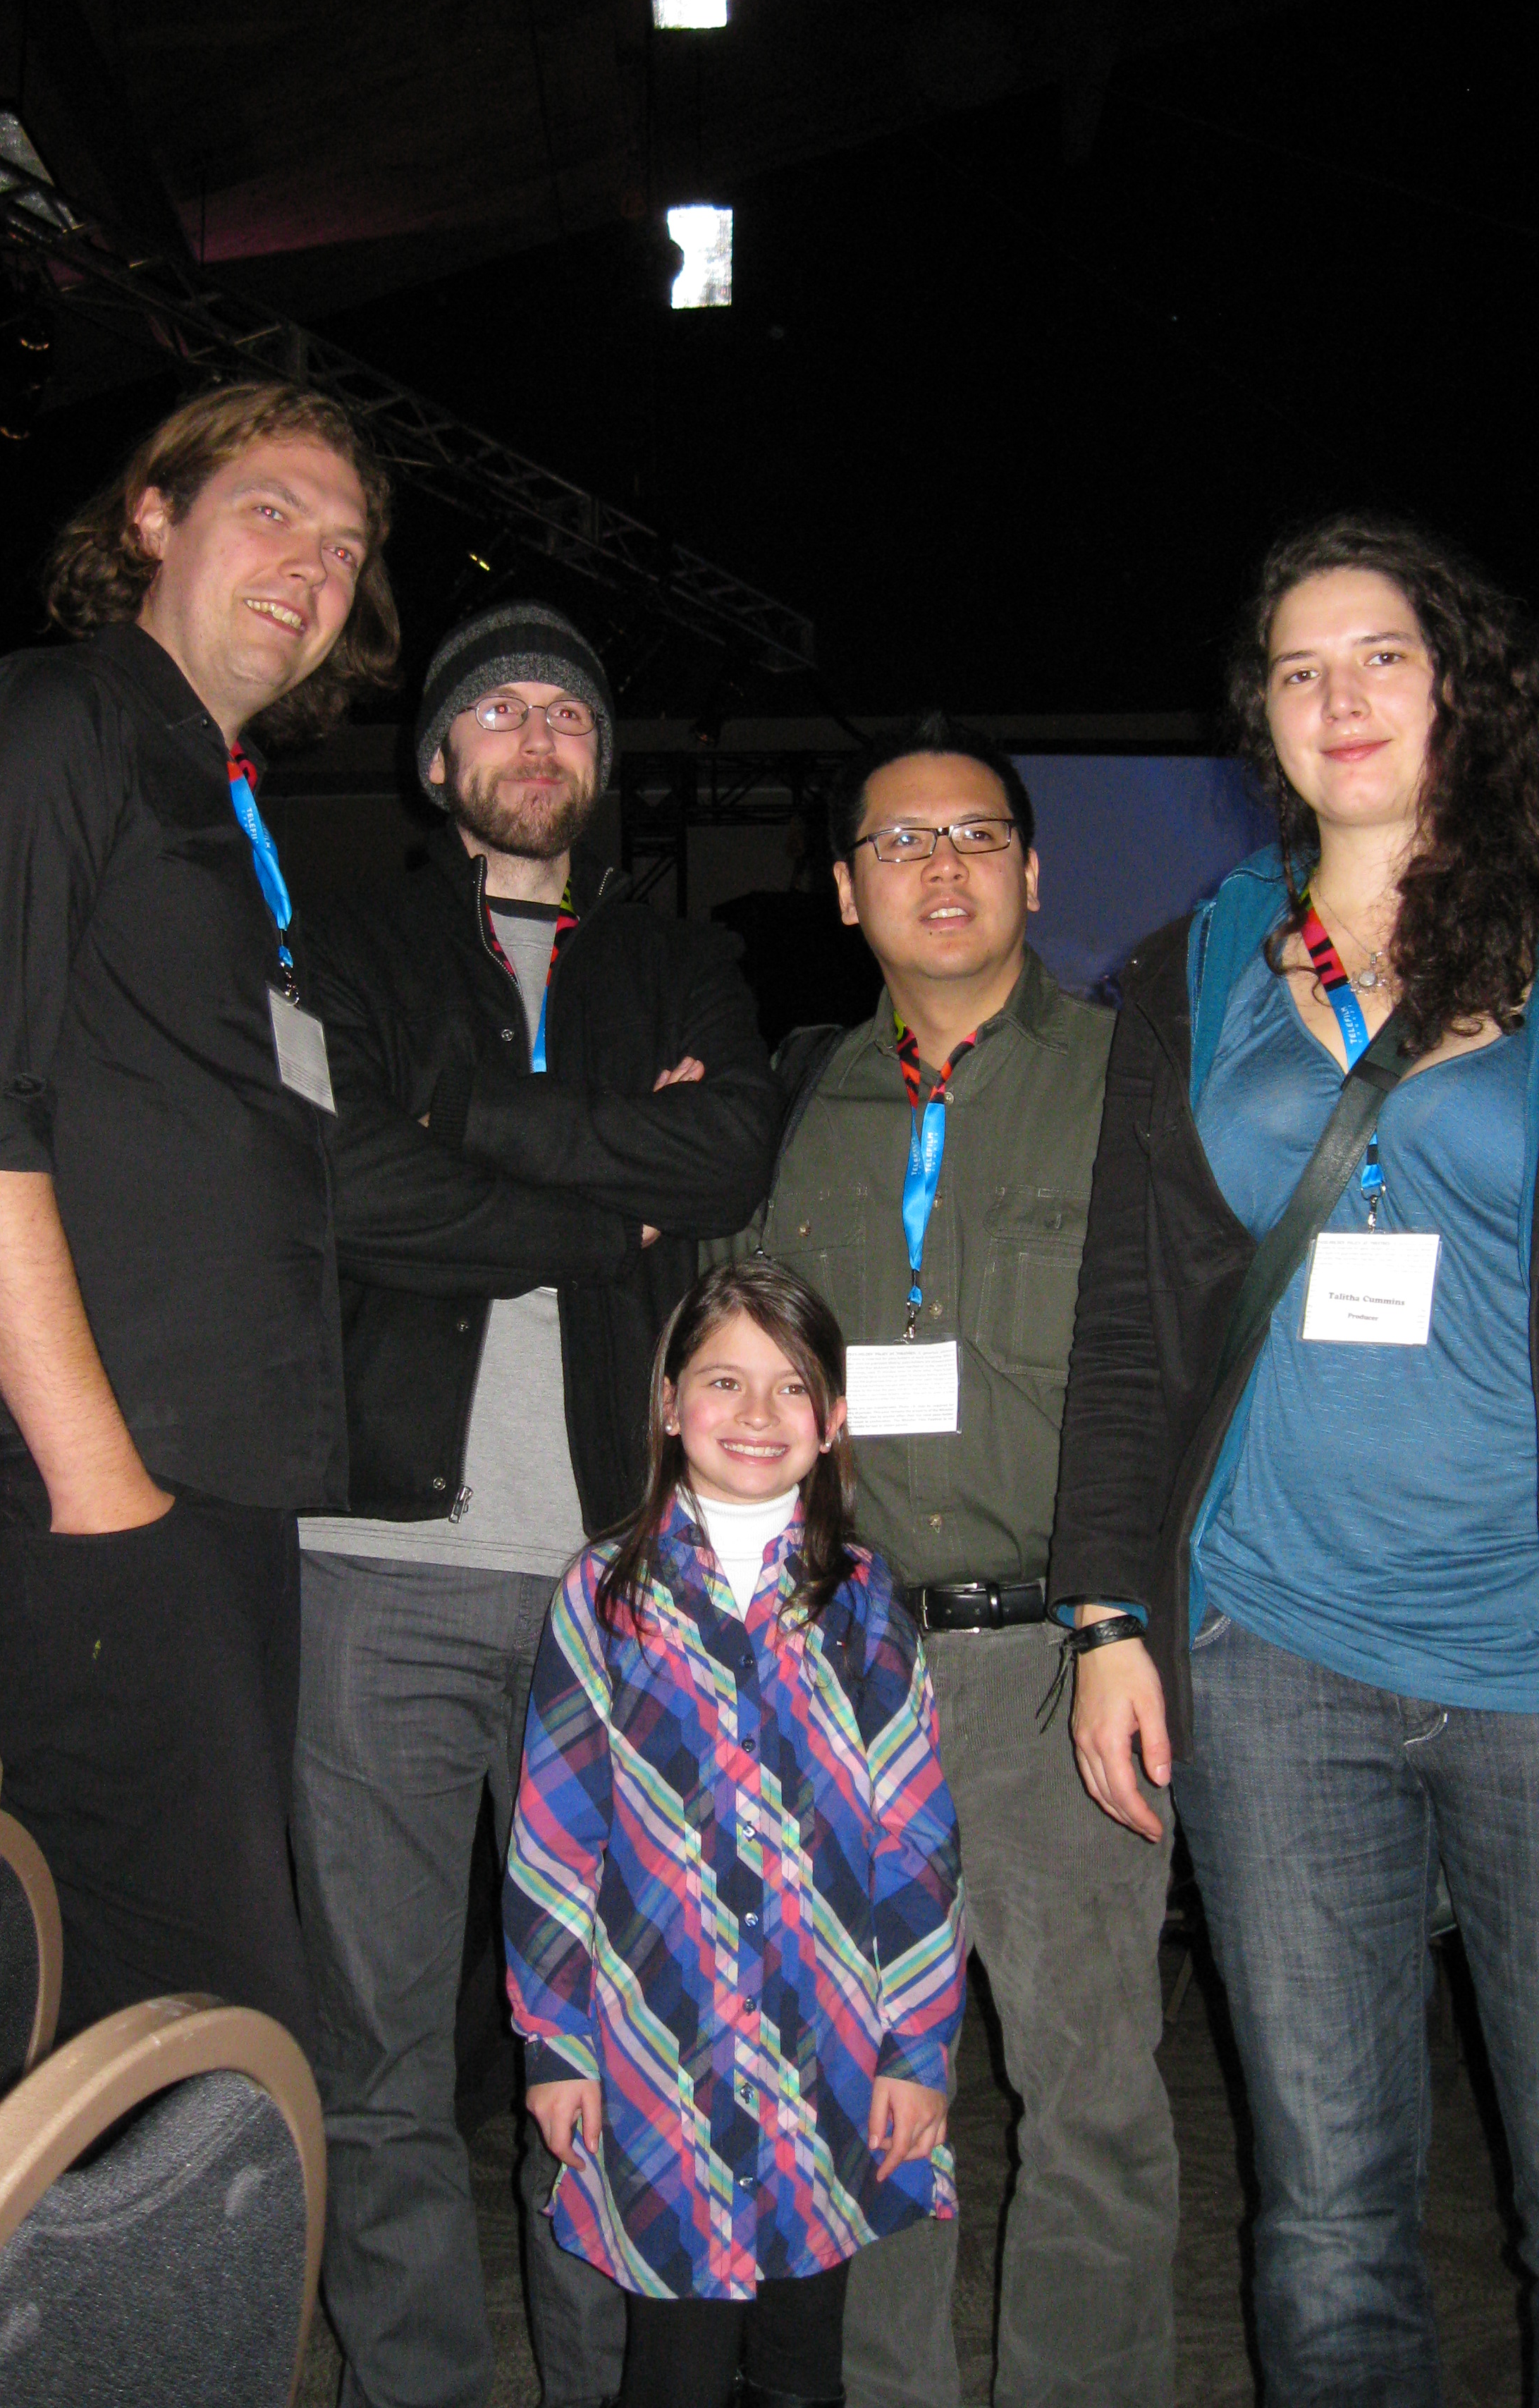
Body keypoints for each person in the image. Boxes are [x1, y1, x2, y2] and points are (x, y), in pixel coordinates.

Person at [1052, 511, 1539, 2407]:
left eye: (1380, 655)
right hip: (1275, 1652)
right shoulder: (1196, 970)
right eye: (1297, 668)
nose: (1338, 697)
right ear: (1260, 721)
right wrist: (1112, 1612)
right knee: (1330, 2221)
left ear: (1461, 688)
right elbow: (1135, 1326)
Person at [0, 378, 399, 2046]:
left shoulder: (223, 818)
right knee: (205, 2035)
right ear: (151, 518)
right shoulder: (50, 721)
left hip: (189, 1490)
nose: (314, 567)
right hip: (73, 1484)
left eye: (349, 546)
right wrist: (102, 1484)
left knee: (116, 2023)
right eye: (271, 512)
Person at [294, 599, 781, 2408]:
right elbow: (341, 1180)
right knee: (380, 2048)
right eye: (496, 709)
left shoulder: (675, 964)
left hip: (611, 1582)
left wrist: (471, 1124)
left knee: (620, 2051)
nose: (537, 735)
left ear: (599, 762)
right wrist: (603, 1195)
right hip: (372, 1571)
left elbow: (724, 1148)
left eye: (567, 713)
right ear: (436, 762)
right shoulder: (338, 941)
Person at [721, 716, 1178, 2408]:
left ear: (1033, 871)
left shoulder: (1139, 1080)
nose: (941, 864)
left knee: (1095, 2097)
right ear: (845, 890)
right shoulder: (794, 1104)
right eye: (899, 843)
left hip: (1065, 1659)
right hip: (848, 1675)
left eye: (975, 833)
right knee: (869, 2096)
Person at [504, 1258, 966, 2408]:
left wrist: (917, 2047)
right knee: (676, 2369)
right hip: (660, 2061)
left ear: (834, 1419)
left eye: (790, 1387)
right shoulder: (601, 1597)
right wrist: (556, 2044)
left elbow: (916, 1842)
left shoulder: (866, 1607)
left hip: (830, 2059)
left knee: (804, 2364)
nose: (757, 1415)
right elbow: (556, 1841)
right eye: (723, 1382)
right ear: (669, 1406)